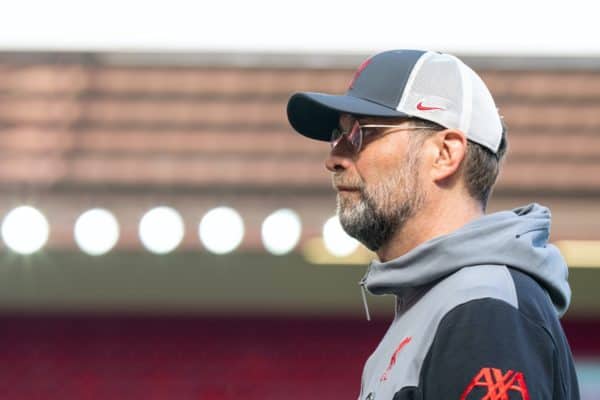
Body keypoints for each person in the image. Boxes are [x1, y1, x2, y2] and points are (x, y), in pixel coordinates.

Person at [286, 50, 579, 399]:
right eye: (339, 134)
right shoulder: (439, 307)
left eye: (361, 133)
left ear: (444, 154)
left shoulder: (482, 308)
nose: (334, 158)